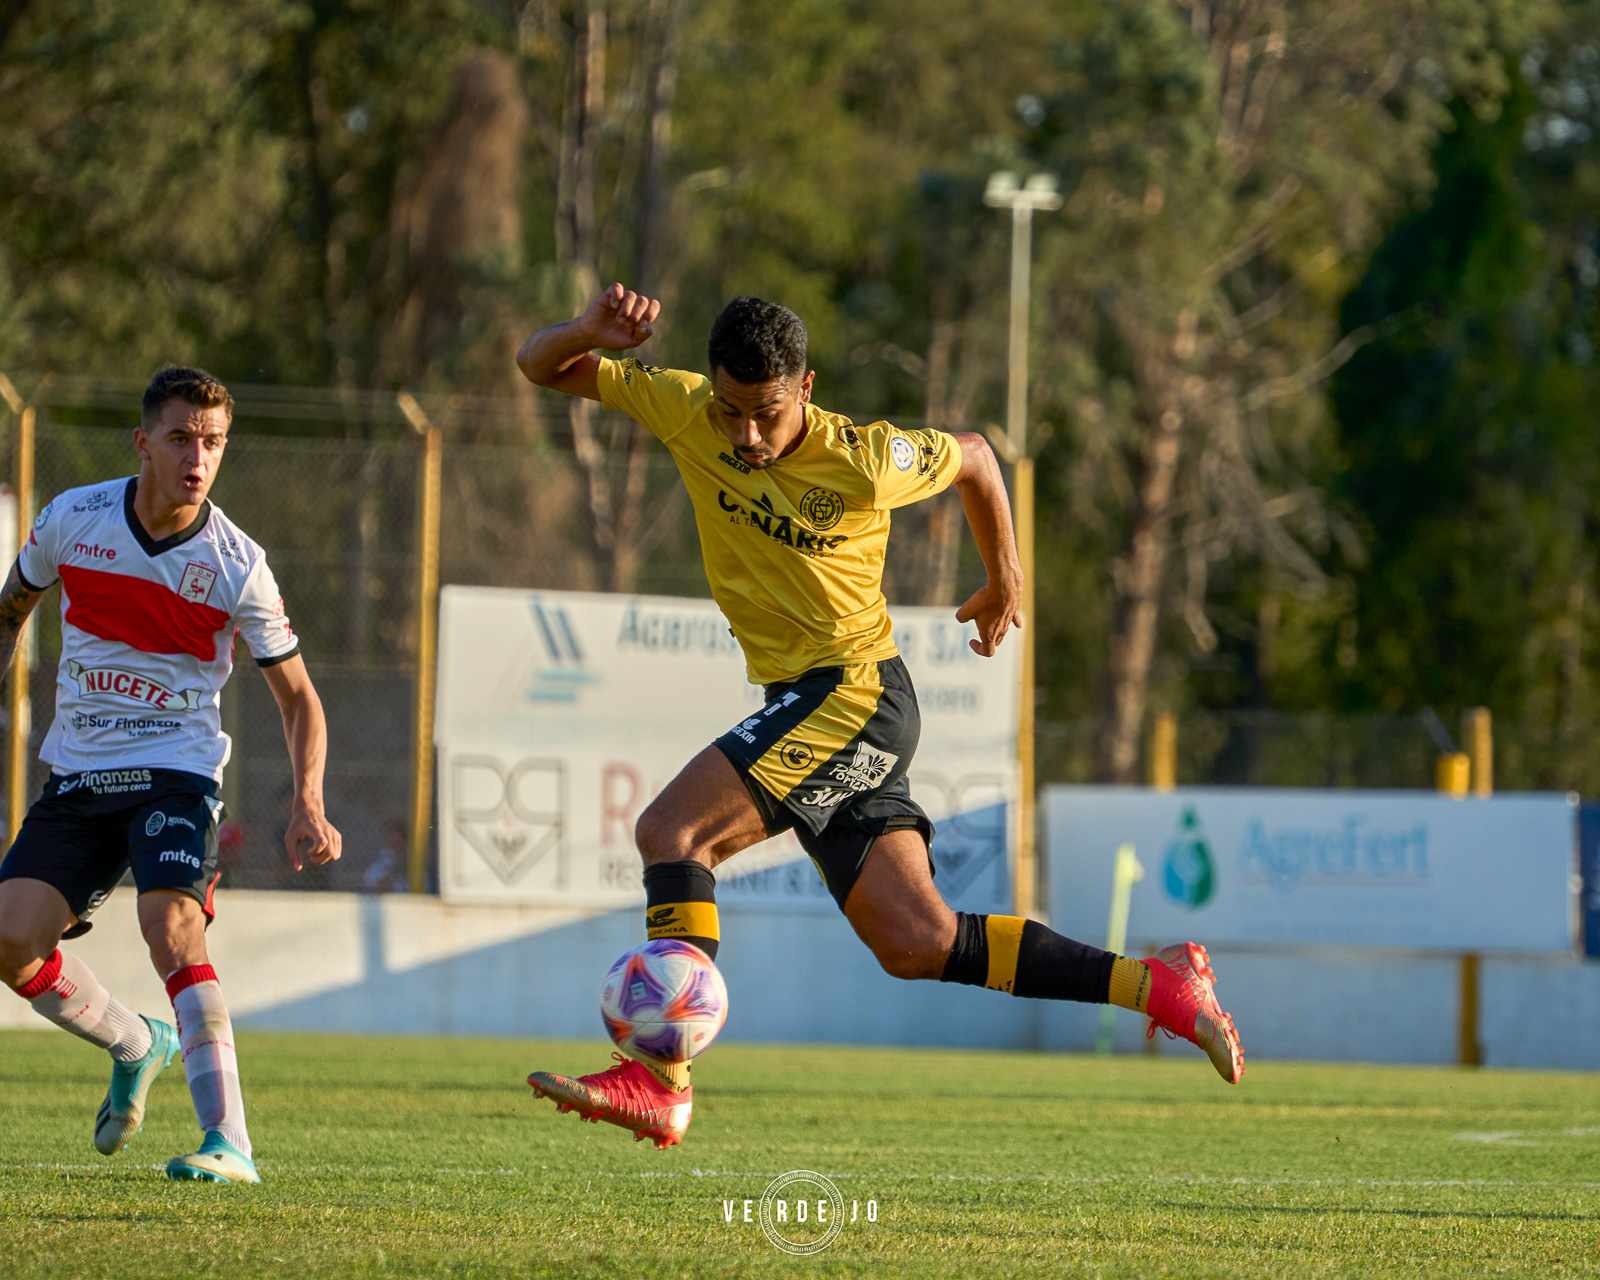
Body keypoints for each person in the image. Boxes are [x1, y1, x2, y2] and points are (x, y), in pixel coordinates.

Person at [516, 286, 1243, 1150]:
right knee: (916, 940)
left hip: (853, 695)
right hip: (818, 703)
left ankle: (663, 1082)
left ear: (808, 389)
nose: (745, 435)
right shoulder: (683, 409)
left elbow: (975, 454)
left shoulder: (864, 459)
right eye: (730, 411)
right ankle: (1157, 987)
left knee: (673, 832)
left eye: (767, 414)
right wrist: (587, 334)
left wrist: (1007, 573)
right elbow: (542, 366)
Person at [0, 366, 342, 1184]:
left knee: (172, 929)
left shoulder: (237, 565)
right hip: (79, 776)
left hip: (175, 772)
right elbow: (11, 609)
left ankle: (230, 1142)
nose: (199, 457)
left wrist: (308, 800)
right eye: (183, 438)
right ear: (144, 442)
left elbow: (300, 699)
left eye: (214, 442)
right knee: (10, 942)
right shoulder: (71, 520)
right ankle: (132, 1040)